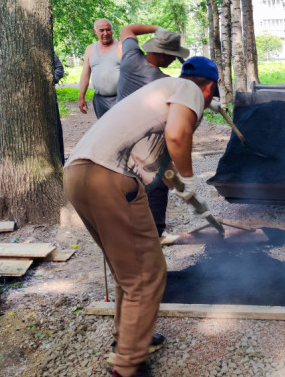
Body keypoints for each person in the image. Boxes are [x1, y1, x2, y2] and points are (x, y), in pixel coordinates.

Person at [63, 56, 219, 377]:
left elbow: (163, 165)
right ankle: (127, 367)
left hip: (78, 174)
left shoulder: (161, 92)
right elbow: (177, 136)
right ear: (209, 88)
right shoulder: (189, 89)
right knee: (148, 275)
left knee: (128, 273)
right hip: (110, 177)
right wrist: (190, 179)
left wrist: (190, 196)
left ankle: (129, 342)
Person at [116, 24, 191, 236]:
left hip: (118, 143)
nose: (172, 61)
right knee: (156, 187)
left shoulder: (130, 59)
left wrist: (156, 28)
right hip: (145, 148)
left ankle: (130, 234)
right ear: (164, 55)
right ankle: (154, 234)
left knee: (127, 191)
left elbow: (128, 29)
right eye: (172, 56)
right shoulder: (164, 83)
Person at [79, 18, 122, 118]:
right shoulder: (90, 49)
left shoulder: (121, 47)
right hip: (99, 100)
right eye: (101, 30)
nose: (105, 33)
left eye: (108, 29)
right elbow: (85, 75)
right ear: (95, 31)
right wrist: (81, 97)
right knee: (104, 131)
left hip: (120, 98)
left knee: (122, 130)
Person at [52, 53, 65, 165]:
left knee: (56, 129)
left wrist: (50, 80)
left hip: (49, 99)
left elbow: (59, 68)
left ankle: (60, 162)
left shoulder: (48, 51)